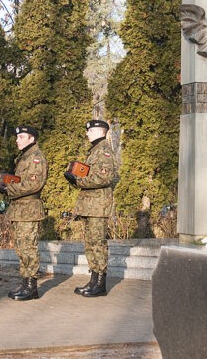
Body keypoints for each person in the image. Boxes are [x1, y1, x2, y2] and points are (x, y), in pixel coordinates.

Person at [65, 119, 117, 297]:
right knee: (90, 244)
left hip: (98, 206)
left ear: (100, 131)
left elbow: (103, 178)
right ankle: (94, 280)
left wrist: (77, 180)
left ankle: (100, 284)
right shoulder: (94, 151)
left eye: (90, 131)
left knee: (98, 243)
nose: (87, 133)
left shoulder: (104, 151)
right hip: (90, 205)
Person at [0, 125, 48, 301]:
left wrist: (8, 189)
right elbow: (22, 181)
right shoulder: (24, 157)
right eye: (17, 137)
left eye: (22, 137)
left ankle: (31, 287)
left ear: (32, 138)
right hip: (20, 209)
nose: (17, 140)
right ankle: (25, 283)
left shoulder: (35, 158)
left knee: (28, 248)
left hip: (29, 210)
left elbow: (34, 184)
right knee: (21, 248)